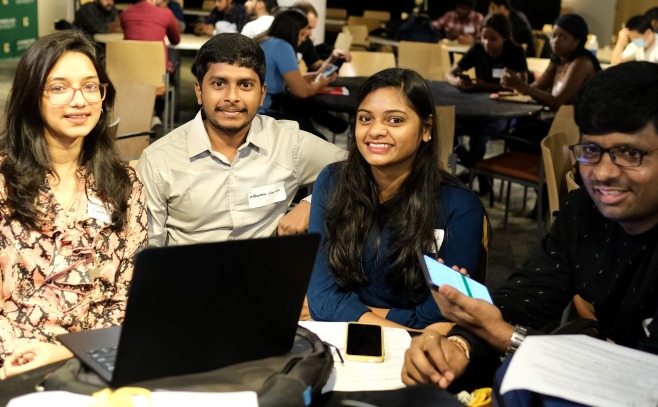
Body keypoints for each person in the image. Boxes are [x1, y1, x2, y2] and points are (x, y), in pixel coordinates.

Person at [401, 61, 658, 390]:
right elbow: (528, 295)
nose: (604, 172)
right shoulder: (584, 211)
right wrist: (459, 346)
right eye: (591, 150)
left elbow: (642, 382)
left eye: (629, 152)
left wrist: (502, 335)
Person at [0, 30, 148, 379]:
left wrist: (69, 353)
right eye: (59, 87)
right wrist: (21, 357)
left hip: (94, 361)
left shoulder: (123, 182)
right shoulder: (5, 181)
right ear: (30, 95)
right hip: (13, 362)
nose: (79, 100)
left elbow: (128, 293)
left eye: (90, 86)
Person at [307, 68, 485, 330]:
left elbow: (443, 315)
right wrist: (406, 326)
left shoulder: (459, 206)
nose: (376, 131)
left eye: (395, 121)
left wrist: (354, 313)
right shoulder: (333, 182)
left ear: (427, 129)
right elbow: (322, 299)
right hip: (350, 339)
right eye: (365, 118)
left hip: (415, 350)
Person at [135, 33, 345, 247]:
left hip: (266, 274)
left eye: (245, 85)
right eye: (218, 83)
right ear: (199, 91)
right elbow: (146, 249)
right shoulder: (158, 161)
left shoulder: (288, 144)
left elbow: (358, 167)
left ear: (262, 94)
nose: (232, 97)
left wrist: (313, 203)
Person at [445, 13, 528, 195]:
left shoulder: (514, 51)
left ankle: (473, 172)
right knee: (449, 129)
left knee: (480, 133)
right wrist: (458, 82)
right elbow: (449, 74)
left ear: (504, 37)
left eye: (493, 38)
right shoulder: (477, 50)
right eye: (483, 37)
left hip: (506, 112)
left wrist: (485, 86)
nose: (487, 43)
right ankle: (480, 173)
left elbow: (522, 84)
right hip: (477, 107)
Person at [255, 9, 336, 139]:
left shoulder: (264, 40)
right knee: (319, 139)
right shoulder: (282, 46)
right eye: (302, 34)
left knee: (305, 119)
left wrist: (304, 78)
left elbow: (271, 77)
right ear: (292, 31)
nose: (304, 39)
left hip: (256, 109)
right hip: (263, 113)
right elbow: (302, 92)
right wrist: (320, 83)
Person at [501, 13, 600, 112]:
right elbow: (536, 87)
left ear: (577, 41)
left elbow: (558, 102)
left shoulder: (582, 63)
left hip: (573, 124)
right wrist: (514, 84)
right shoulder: (559, 60)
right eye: (553, 36)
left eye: (562, 37)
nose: (555, 41)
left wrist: (522, 86)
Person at [120, 0, 181, 71]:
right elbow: (175, 41)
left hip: (129, 68)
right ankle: (169, 81)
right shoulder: (166, 13)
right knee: (174, 54)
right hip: (156, 69)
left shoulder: (125, 13)